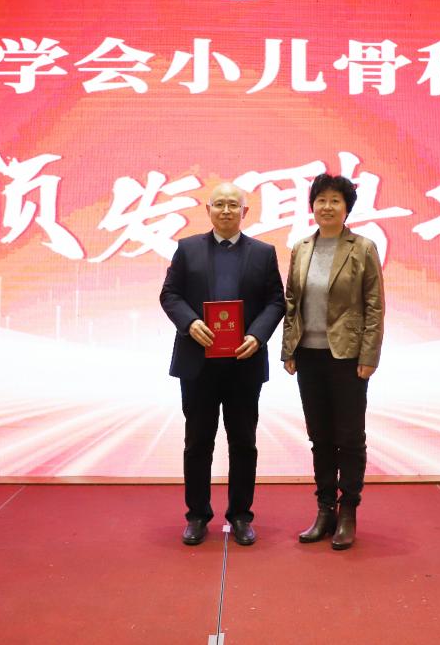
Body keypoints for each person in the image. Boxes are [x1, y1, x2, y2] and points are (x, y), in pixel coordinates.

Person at [160, 182, 284, 547]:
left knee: (243, 442)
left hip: (244, 362)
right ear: (208, 210)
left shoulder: (263, 253)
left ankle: (241, 516)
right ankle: (197, 516)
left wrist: (257, 335)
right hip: (198, 363)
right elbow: (170, 294)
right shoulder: (187, 249)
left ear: (245, 212)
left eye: (233, 205)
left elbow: (276, 301)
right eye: (219, 204)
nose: (226, 210)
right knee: (198, 442)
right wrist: (189, 323)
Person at [281, 173, 384, 550]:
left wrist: (369, 355)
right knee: (320, 436)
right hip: (308, 356)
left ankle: (348, 510)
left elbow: (374, 305)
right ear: (312, 206)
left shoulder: (363, 248)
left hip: (348, 357)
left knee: (350, 437)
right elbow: (291, 302)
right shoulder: (301, 247)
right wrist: (289, 350)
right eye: (321, 200)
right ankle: (324, 509)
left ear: (346, 208)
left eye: (335, 201)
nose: (327, 207)